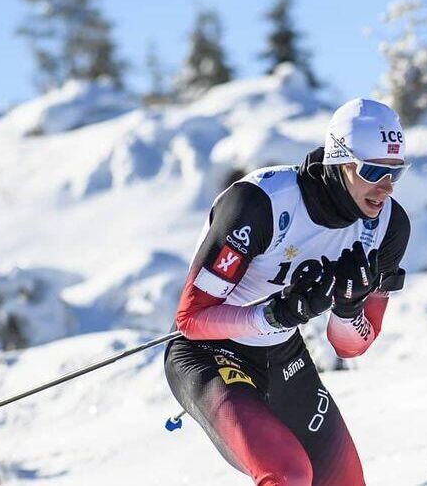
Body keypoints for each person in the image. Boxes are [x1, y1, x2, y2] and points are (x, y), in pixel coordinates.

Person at [164, 98, 411, 486]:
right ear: (342, 162)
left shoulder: (388, 227)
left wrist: (347, 310)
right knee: (289, 475)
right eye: (374, 170)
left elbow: (351, 347)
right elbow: (190, 320)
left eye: (396, 172)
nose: (386, 188)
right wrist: (270, 316)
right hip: (210, 352)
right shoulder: (261, 204)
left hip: (283, 354)